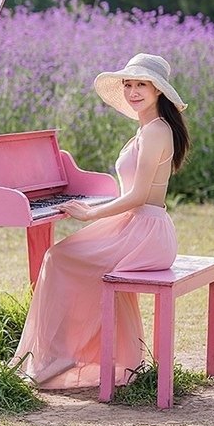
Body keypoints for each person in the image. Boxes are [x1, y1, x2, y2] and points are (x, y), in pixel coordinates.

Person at [13, 53, 191, 389]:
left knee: (60, 258)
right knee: (62, 258)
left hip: (146, 231)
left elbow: (139, 196)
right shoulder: (148, 129)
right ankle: (70, 352)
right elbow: (130, 194)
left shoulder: (156, 131)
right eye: (128, 84)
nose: (133, 91)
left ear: (158, 91)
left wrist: (90, 213)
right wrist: (90, 205)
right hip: (135, 224)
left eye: (141, 85)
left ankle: (63, 353)